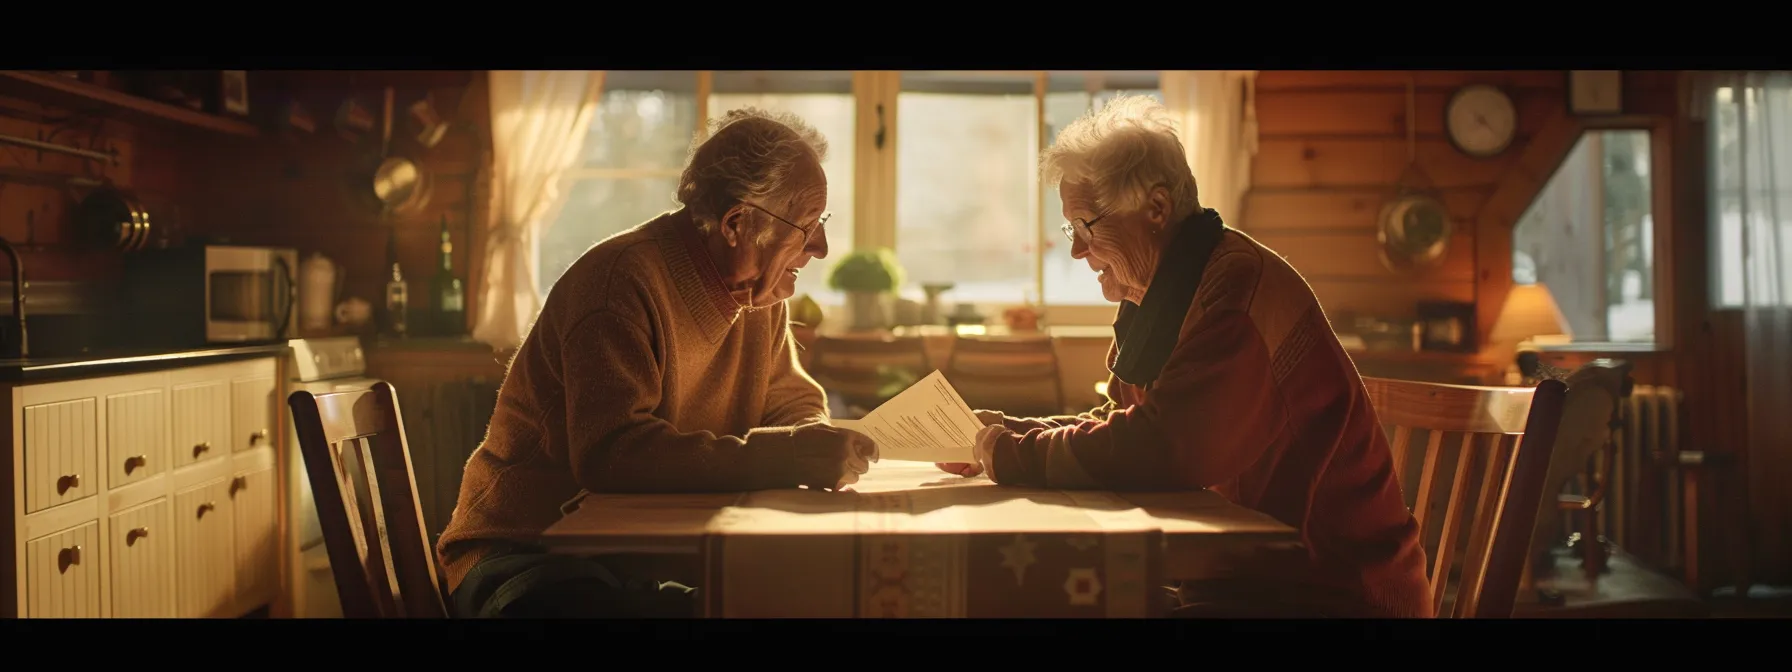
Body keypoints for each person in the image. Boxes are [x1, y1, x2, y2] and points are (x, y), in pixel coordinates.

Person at [938, 95, 1432, 618]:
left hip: (1332, 595)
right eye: (1071, 230)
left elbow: (1168, 446)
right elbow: (1125, 425)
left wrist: (1015, 454)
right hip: (1246, 584)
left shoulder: (1233, 290)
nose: (1078, 251)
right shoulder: (1166, 290)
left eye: (1087, 225)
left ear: (1155, 208)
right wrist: (1011, 431)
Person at [437, 108, 879, 618]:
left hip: (633, 557)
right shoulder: (620, 283)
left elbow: (793, 402)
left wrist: (812, 443)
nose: (820, 248)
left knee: (800, 597)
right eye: (805, 226)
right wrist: (789, 456)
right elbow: (613, 453)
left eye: (820, 223)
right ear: (737, 223)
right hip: (524, 554)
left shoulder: (759, 297)